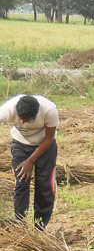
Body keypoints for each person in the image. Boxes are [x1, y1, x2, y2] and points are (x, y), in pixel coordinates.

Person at [0, 94, 59, 228]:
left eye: (27, 120)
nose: (22, 123)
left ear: (36, 114)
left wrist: (30, 161)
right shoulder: (8, 109)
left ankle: (40, 227)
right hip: (20, 144)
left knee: (45, 186)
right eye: (21, 119)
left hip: (45, 146)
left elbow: (49, 139)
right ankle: (20, 224)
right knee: (21, 182)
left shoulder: (50, 110)